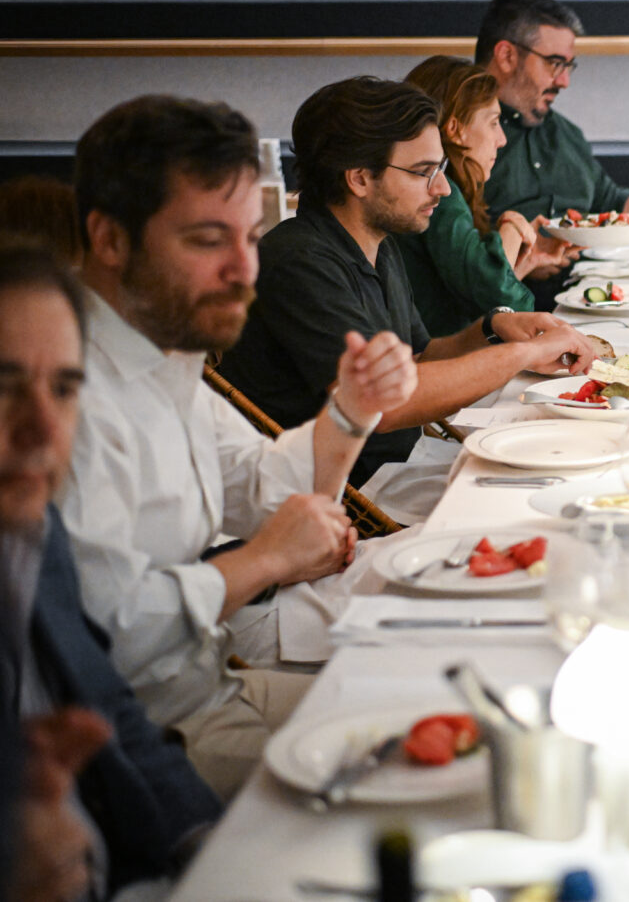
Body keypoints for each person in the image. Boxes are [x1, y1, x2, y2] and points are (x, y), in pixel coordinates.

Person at [62, 94, 420, 799]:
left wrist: (351, 409)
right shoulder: (61, 394)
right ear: (110, 240)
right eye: (207, 240)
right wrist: (262, 562)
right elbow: (101, 634)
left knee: (441, 703)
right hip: (135, 750)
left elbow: (262, 486)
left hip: (216, 690)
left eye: (251, 237)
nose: (244, 269)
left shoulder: (164, 361)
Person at [219, 76, 598, 487]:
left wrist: (493, 328)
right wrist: (524, 354)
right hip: (350, 497)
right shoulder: (300, 263)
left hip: (404, 467)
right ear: (359, 178)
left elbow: (420, 355)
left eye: (441, 169)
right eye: (424, 172)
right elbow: (381, 405)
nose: (442, 188)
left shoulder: (379, 243)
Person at [0, 240, 222, 895]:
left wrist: (214, 849)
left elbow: (113, 709)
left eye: (64, 389)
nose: (45, 428)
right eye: (4, 386)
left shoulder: (36, 535)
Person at [476, 0, 629, 308]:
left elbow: (612, 202)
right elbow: (446, 242)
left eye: (569, 66)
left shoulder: (566, 134)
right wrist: (520, 255)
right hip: (499, 312)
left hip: (587, 297)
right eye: (555, 64)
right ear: (507, 56)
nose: (564, 81)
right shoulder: (456, 138)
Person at [393, 55, 571, 335]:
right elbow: (500, 301)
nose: (502, 139)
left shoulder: (439, 190)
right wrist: (512, 225)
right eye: (493, 123)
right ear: (455, 130)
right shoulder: (441, 196)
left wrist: (526, 262)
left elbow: (480, 304)